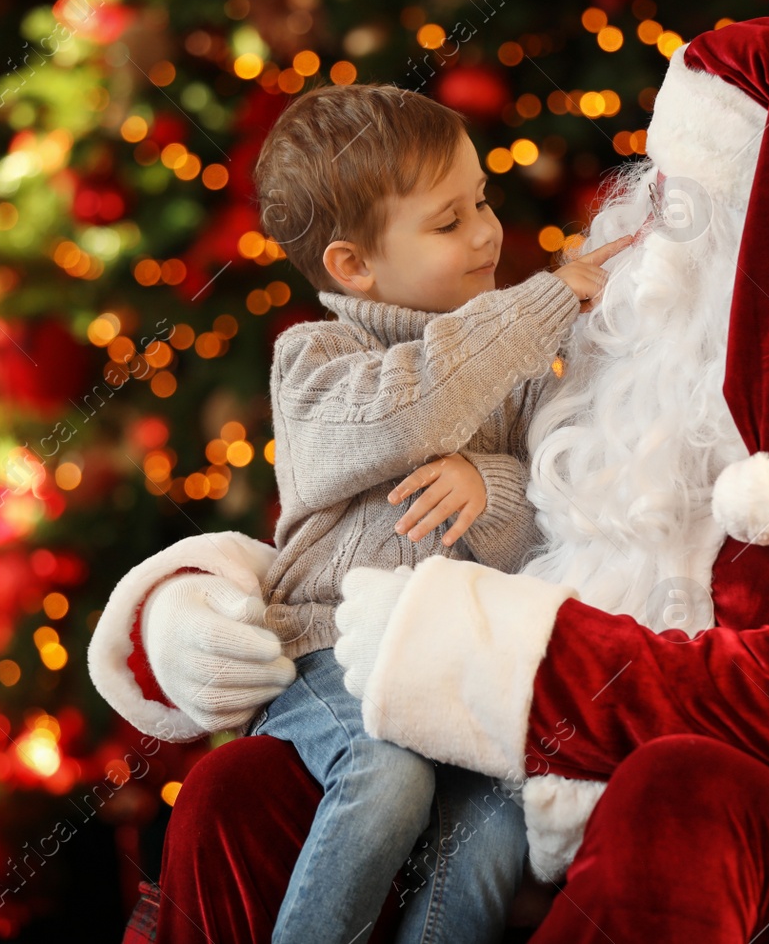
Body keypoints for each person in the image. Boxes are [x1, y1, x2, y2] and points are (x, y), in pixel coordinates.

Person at [92, 17, 769, 943]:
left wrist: (497, 663)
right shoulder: (626, 339)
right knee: (244, 786)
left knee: (676, 792)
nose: (659, 238)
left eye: (704, 212)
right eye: (662, 188)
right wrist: (188, 601)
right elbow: (371, 511)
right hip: (510, 746)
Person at [90, 83, 633, 944]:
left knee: (496, 821)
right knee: (385, 776)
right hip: (325, 651)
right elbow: (403, 410)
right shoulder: (317, 358)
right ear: (352, 265)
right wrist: (542, 301)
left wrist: (490, 489)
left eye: (484, 201)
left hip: (458, 663)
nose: (489, 231)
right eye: (450, 222)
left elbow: (553, 513)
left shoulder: (528, 370)